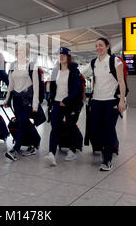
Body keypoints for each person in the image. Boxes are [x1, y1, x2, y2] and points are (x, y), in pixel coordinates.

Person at [83, 38, 126, 171]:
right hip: (96, 100)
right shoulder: (93, 62)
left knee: (108, 129)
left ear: (107, 46)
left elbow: (121, 82)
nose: (98, 48)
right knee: (95, 129)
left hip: (110, 101)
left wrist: (121, 100)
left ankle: (107, 159)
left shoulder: (115, 61)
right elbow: (83, 75)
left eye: (101, 45)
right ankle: (109, 147)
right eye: (96, 46)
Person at [44, 47, 83, 166]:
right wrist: (51, 100)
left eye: (63, 55)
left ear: (68, 57)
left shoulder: (74, 71)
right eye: (60, 55)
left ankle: (72, 150)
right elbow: (53, 88)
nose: (61, 57)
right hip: (57, 103)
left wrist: (66, 100)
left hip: (70, 103)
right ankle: (51, 153)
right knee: (54, 127)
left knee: (70, 127)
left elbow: (77, 89)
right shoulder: (55, 71)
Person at [3, 42, 41, 161]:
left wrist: (35, 105)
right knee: (23, 123)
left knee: (22, 123)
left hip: (27, 100)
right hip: (17, 100)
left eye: (20, 50)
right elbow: (11, 85)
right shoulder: (13, 65)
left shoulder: (31, 66)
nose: (17, 52)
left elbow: (36, 87)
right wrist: (7, 99)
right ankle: (35, 142)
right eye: (16, 50)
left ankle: (15, 149)